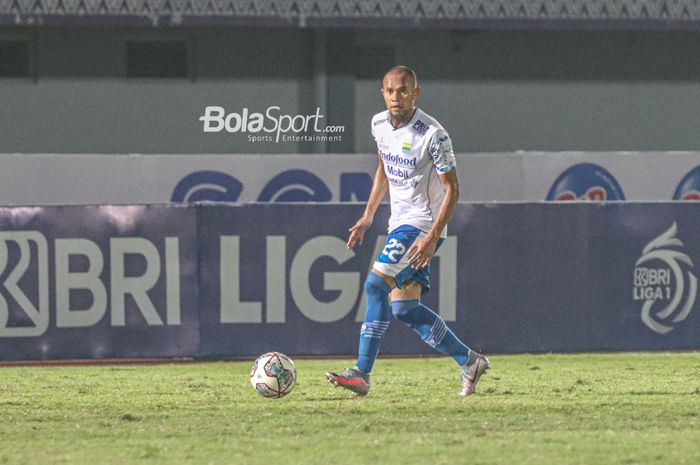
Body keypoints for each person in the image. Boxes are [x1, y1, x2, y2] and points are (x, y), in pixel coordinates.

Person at [325, 66, 490, 397]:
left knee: (374, 286)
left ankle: (361, 373)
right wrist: (368, 216)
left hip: (423, 224)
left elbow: (453, 189)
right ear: (382, 93)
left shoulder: (433, 134)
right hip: (398, 223)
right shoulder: (378, 124)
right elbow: (383, 168)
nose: (395, 97)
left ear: (416, 92)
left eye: (402, 90)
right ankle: (469, 361)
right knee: (404, 309)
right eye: (389, 90)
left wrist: (430, 237)